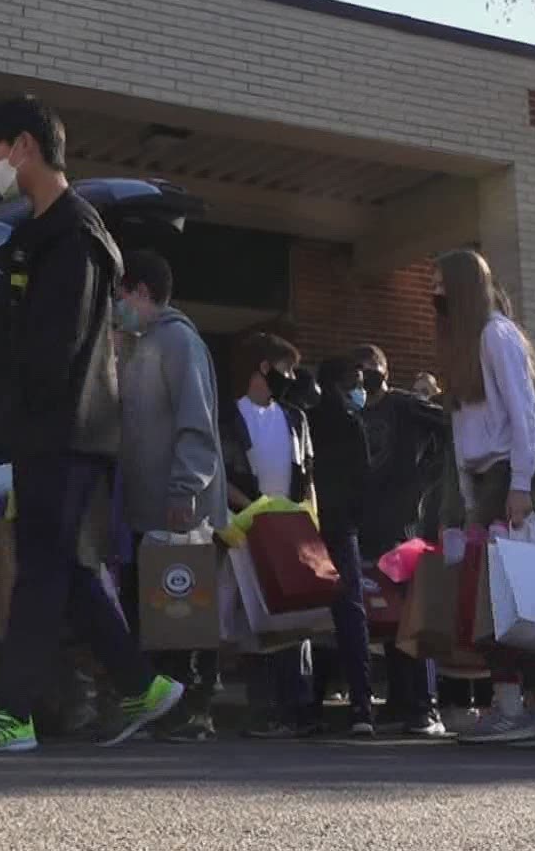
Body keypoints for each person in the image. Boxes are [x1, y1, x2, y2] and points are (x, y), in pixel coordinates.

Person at [0, 95, 183, 754]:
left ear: (23, 148)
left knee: (41, 569)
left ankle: (12, 715)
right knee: (59, 566)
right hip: (53, 430)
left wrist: (14, 437)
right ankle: (141, 686)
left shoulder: (73, 236)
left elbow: (53, 350)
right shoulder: (48, 234)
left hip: (60, 432)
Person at [429, 249, 535, 749]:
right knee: (499, 598)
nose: (435, 290)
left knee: (507, 597)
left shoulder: (496, 335)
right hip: (486, 477)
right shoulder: (469, 342)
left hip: (507, 474)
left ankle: (521, 709)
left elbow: (523, 413)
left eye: (440, 281)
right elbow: (462, 429)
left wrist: (519, 485)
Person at [110, 249, 224, 743]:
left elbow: (196, 423)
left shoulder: (178, 341)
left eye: (120, 293)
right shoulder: (141, 343)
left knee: (179, 613)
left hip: (179, 509)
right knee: (154, 613)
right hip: (146, 510)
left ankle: (187, 712)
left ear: (141, 291)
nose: (116, 302)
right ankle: (161, 710)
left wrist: (185, 487)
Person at [219, 331, 316, 738]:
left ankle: (298, 708)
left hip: (291, 530)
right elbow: (220, 473)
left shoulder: (296, 418)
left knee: (295, 618)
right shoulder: (229, 416)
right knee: (252, 617)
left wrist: (311, 521)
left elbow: (309, 473)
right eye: (286, 369)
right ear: (264, 368)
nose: (291, 377)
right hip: (247, 526)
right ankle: (262, 709)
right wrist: (252, 507)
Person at [351, 344, 448, 737]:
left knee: (412, 616)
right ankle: (397, 701)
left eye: (372, 367)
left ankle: (424, 706)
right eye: (360, 369)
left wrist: (422, 480)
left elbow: (447, 429)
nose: (365, 374)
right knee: (384, 617)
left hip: (403, 527)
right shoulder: (357, 413)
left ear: (385, 369)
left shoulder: (405, 405)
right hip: (368, 526)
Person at [300, 357, 377, 736]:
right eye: (354, 383)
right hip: (342, 528)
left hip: (311, 527)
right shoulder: (351, 424)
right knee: (350, 616)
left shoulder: (307, 421)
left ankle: (309, 704)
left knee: (312, 615)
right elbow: (365, 479)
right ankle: (361, 705)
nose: (359, 391)